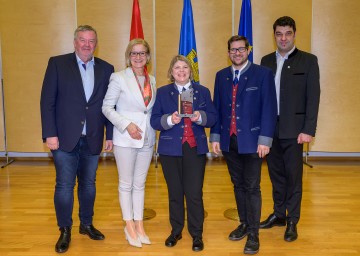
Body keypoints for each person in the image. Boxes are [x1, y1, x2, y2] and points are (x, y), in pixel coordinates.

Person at [40, 25, 114, 253]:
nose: (86, 44)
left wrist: (109, 135)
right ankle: (65, 229)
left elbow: (110, 105)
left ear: (96, 44)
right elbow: (47, 102)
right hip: (63, 139)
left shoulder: (106, 68)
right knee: (64, 186)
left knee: (89, 185)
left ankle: (86, 224)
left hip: (92, 138)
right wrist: (49, 133)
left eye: (91, 40)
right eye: (82, 40)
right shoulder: (57, 64)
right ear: (75, 42)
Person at [210, 35, 277, 255]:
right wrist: (216, 136)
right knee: (237, 185)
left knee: (252, 187)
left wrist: (265, 139)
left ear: (248, 50)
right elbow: (217, 109)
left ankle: (254, 235)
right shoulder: (221, 76)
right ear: (228, 52)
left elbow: (269, 108)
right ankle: (245, 224)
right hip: (230, 142)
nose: (237, 53)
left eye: (241, 49)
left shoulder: (263, 74)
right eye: (233, 50)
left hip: (254, 143)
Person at [259, 16, 320, 242]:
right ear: (274, 35)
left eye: (287, 34)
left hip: (295, 131)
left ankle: (292, 220)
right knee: (276, 176)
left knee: (293, 178)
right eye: (279, 34)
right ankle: (279, 214)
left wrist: (308, 129)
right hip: (269, 130)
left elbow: (313, 98)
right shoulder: (265, 61)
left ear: (294, 34)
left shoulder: (308, 61)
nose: (283, 38)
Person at [150, 55, 217, 252]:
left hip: (194, 148)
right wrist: (170, 120)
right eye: (177, 68)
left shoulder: (202, 91)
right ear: (171, 72)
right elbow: (154, 121)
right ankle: (176, 230)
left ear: (191, 71)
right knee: (175, 193)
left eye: (185, 67)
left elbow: (212, 117)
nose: (181, 71)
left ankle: (196, 234)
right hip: (170, 149)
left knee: (194, 193)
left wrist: (200, 117)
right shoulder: (162, 93)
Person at [102, 38, 156, 248]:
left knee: (140, 184)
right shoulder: (118, 78)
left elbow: (148, 110)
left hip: (147, 138)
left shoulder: (151, 79)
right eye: (134, 53)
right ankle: (129, 226)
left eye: (142, 53)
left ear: (148, 56)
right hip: (125, 138)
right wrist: (126, 125)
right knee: (126, 184)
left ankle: (140, 225)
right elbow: (107, 107)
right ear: (128, 56)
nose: (138, 57)